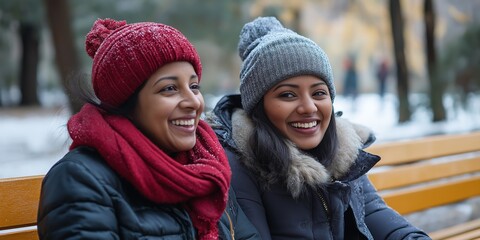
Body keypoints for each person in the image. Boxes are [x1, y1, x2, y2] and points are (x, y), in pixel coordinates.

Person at [206, 16, 431, 239]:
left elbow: (375, 214)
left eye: (319, 93)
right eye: (288, 95)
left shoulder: (342, 151)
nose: (308, 107)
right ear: (258, 107)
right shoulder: (237, 165)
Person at [37, 18, 261, 240]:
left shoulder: (206, 166)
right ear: (126, 103)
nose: (193, 101)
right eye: (170, 88)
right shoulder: (80, 180)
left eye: (194, 86)